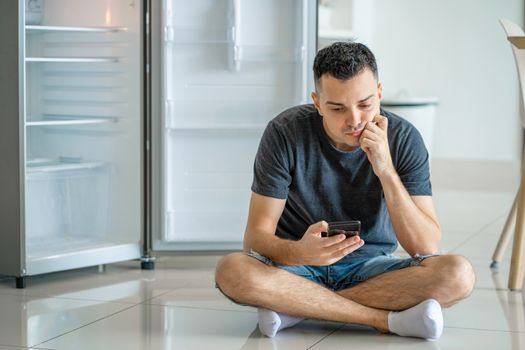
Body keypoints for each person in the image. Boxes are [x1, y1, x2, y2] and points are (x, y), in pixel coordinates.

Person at [215, 42, 475, 340]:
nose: (354, 120)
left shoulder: (404, 138)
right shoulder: (285, 132)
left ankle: (294, 306)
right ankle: (384, 319)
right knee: (232, 270)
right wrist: (299, 251)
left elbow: (425, 245)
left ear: (379, 93)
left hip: (373, 267)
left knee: (458, 274)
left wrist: (385, 169)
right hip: (299, 267)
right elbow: (256, 237)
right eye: (337, 108)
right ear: (317, 103)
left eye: (365, 104)